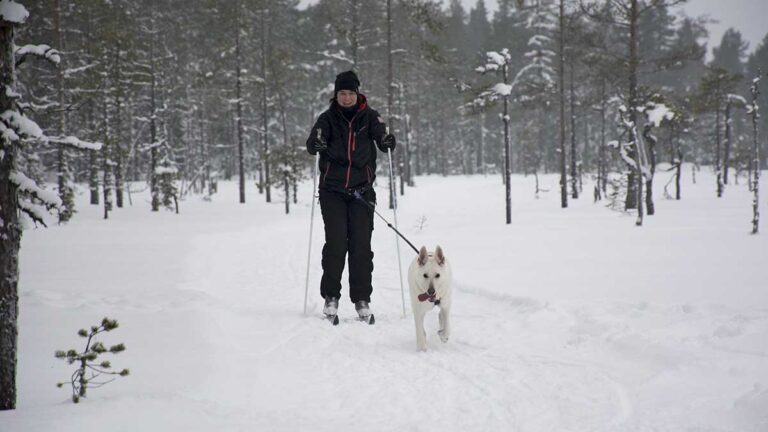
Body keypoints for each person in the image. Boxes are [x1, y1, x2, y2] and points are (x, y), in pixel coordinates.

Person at [306, 70, 396, 320]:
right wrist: (316, 144)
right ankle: (331, 296)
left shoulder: (369, 117)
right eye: (342, 93)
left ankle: (362, 299)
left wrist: (387, 140)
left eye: (350, 93)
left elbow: (381, 136)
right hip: (332, 192)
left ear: (358, 94)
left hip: (361, 192)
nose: (346, 98)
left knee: (361, 247)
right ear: (336, 95)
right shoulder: (327, 118)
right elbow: (312, 141)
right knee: (336, 243)